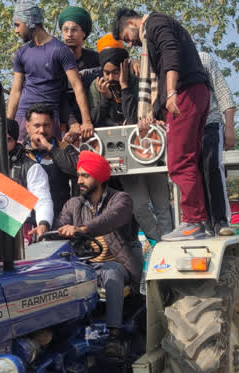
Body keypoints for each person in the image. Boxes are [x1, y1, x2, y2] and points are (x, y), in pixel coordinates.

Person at [112, 9, 211, 240]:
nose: (132, 43)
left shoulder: (155, 24)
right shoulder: (158, 25)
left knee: (179, 161)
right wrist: (154, 112)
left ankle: (193, 222)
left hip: (184, 94)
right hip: (194, 93)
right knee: (189, 161)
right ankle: (197, 220)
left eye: (127, 37)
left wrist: (171, 90)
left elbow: (170, 52)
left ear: (130, 23)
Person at [56, 151, 143, 358]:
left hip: (118, 264)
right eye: (78, 176)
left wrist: (84, 229)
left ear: (100, 177)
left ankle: (114, 336)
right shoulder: (73, 204)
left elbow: (111, 219)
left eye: (85, 176)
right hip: (85, 266)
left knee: (110, 272)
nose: (80, 181)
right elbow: (61, 226)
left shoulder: (121, 200)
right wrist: (50, 231)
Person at [90, 33, 172, 242]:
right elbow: (96, 123)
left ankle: (170, 243)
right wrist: (106, 101)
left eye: (115, 72)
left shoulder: (138, 82)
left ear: (125, 67)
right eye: (106, 73)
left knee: (162, 204)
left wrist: (126, 87)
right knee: (140, 206)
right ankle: (161, 243)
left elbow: (134, 117)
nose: (110, 78)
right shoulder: (97, 87)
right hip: (125, 161)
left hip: (149, 151)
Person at [7, 2, 93, 142]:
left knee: (49, 159)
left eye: (17, 24)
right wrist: (8, 124)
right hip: (23, 118)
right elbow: (16, 91)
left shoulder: (60, 50)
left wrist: (86, 121)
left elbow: (77, 87)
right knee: (18, 160)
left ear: (29, 22)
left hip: (49, 118)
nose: (16, 31)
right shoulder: (22, 52)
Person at [198, 51, 237, 236]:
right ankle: (201, 221)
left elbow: (223, 94)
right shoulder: (164, 62)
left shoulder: (203, 58)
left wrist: (230, 127)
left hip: (210, 122)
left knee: (212, 167)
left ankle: (221, 220)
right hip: (184, 128)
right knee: (191, 174)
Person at [22, 103, 80, 219]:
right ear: (27, 126)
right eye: (36, 125)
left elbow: (79, 169)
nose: (42, 130)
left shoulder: (63, 148)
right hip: (26, 220)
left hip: (60, 219)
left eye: (46, 125)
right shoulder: (19, 151)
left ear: (53, 125)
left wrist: (50, 148)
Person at [57, 6, 100, 138]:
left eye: (74, 29)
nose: (69, 34)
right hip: (68, 125)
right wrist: (72, 122)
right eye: (65, 30)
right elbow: (60, 97)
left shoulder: (95, 59)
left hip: (96, 122)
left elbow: (115, 62)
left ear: (84, 33)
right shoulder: (56, 63)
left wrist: (133, 62)